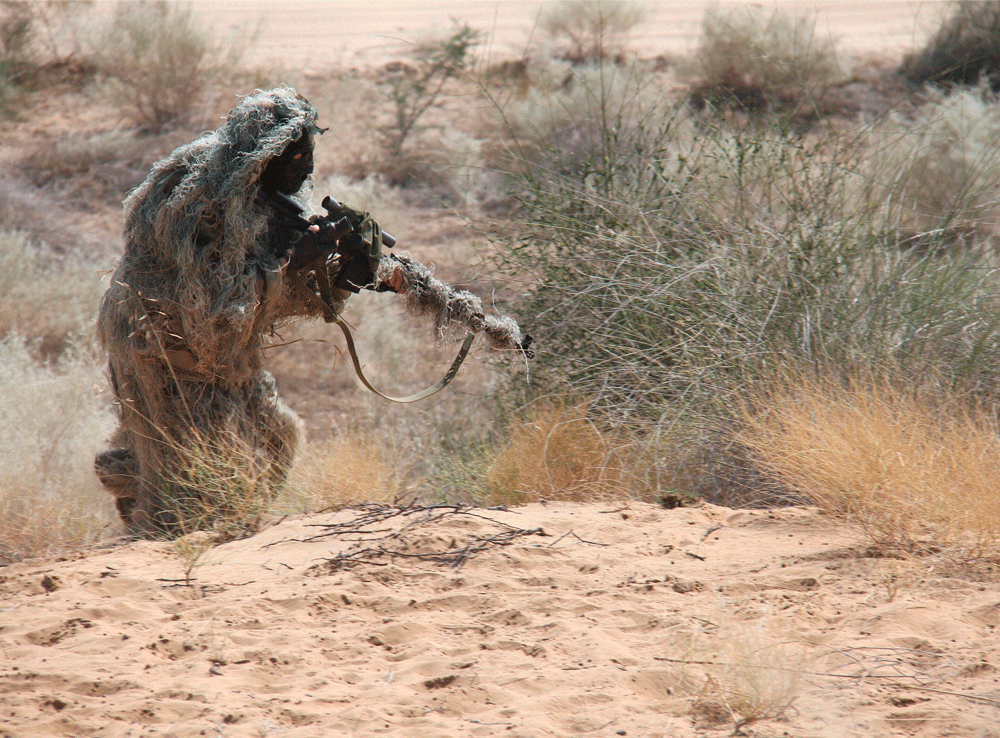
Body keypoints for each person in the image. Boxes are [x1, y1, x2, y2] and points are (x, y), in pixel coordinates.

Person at [93, 88, 374, 533]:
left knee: (276, 438)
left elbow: (278, 301)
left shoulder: (269, 205)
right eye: (297, 159)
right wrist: (290, 261)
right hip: (164, 354)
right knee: (192, 505)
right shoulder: (192, 198)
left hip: (224, 361)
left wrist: (345, 272)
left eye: (309, 155)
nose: (309, 169)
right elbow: (208, 313)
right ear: (264, 156)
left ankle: (138, 470)